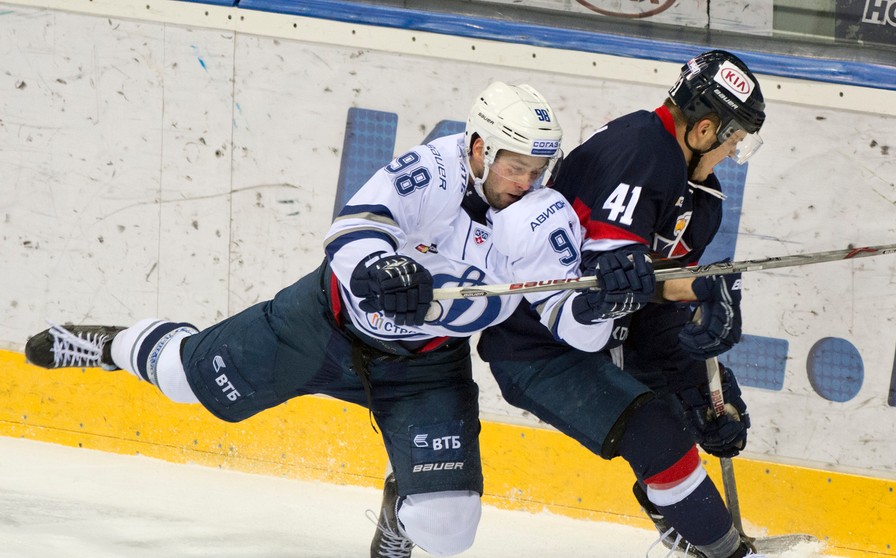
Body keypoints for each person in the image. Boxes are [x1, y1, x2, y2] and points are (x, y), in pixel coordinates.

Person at [24, 81, 654, 558]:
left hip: (424, 368)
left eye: (539, 170)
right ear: (479, 148)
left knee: (448, 529)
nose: (527, 182)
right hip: (320, 328)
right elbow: (350, 231)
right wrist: (382, 267)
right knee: (184, 379)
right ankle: (112, 346)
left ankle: (398, 511)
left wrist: (602, 303)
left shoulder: (542, 217)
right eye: (516, 166)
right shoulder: (431, 171)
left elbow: (574, 326)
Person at [477, 50, 767, 558]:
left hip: (608, 331)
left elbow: (652, 307)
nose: (731, 154)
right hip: (537, 345)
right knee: (659, 436)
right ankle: (725, 552)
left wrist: (702, 388)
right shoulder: (640, 154)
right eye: (734, 141)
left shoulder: (695, 191)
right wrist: (697, 290)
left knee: (700, 410)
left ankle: (681, 519)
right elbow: (613, 280)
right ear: (704, 130)